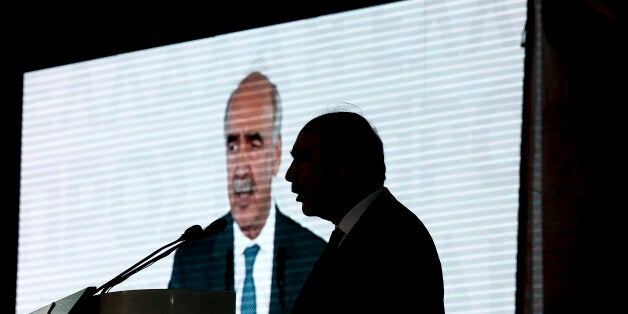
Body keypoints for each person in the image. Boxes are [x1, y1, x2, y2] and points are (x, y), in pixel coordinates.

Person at [169, 71, 327, 314]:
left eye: (254, 145)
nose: (241, 169)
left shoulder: (314, 255)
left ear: (275, 156)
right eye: (233, 146)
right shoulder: (191, 259)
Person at [285, 110, 445, 313]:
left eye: (301, 160)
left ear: (341, 165)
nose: (289, 174)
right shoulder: (359, 231)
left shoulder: (394, 238)